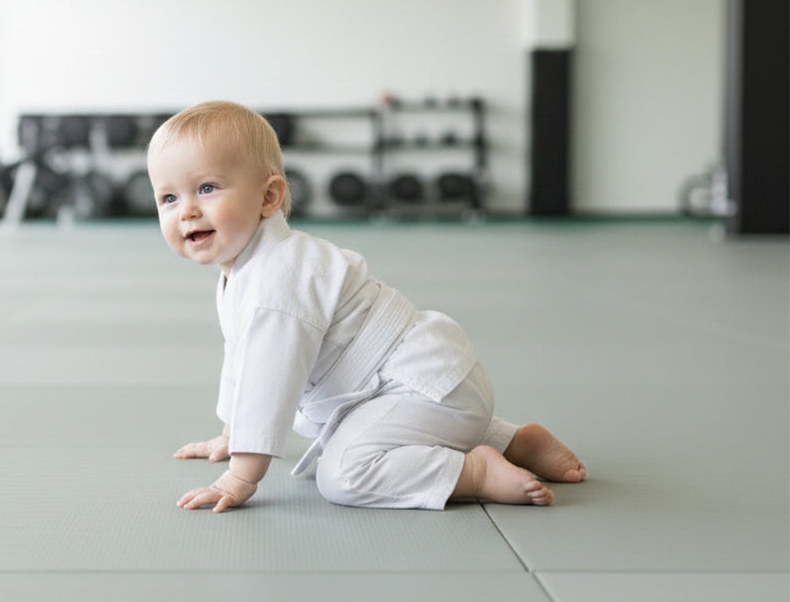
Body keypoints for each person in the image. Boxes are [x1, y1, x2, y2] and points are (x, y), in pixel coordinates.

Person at [146, 100, 586, 514]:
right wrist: (231, 433)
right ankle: (512, 442)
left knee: (342, 474)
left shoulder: (276, 278)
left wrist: (239, 477)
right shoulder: (246, 271)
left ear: (268, 197)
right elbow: (242, 362)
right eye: (169, 198)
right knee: (310, 417)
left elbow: (268, 379)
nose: (186, 211)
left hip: (426, 388)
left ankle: (475, 470)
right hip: (426, 388)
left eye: (206, 188)